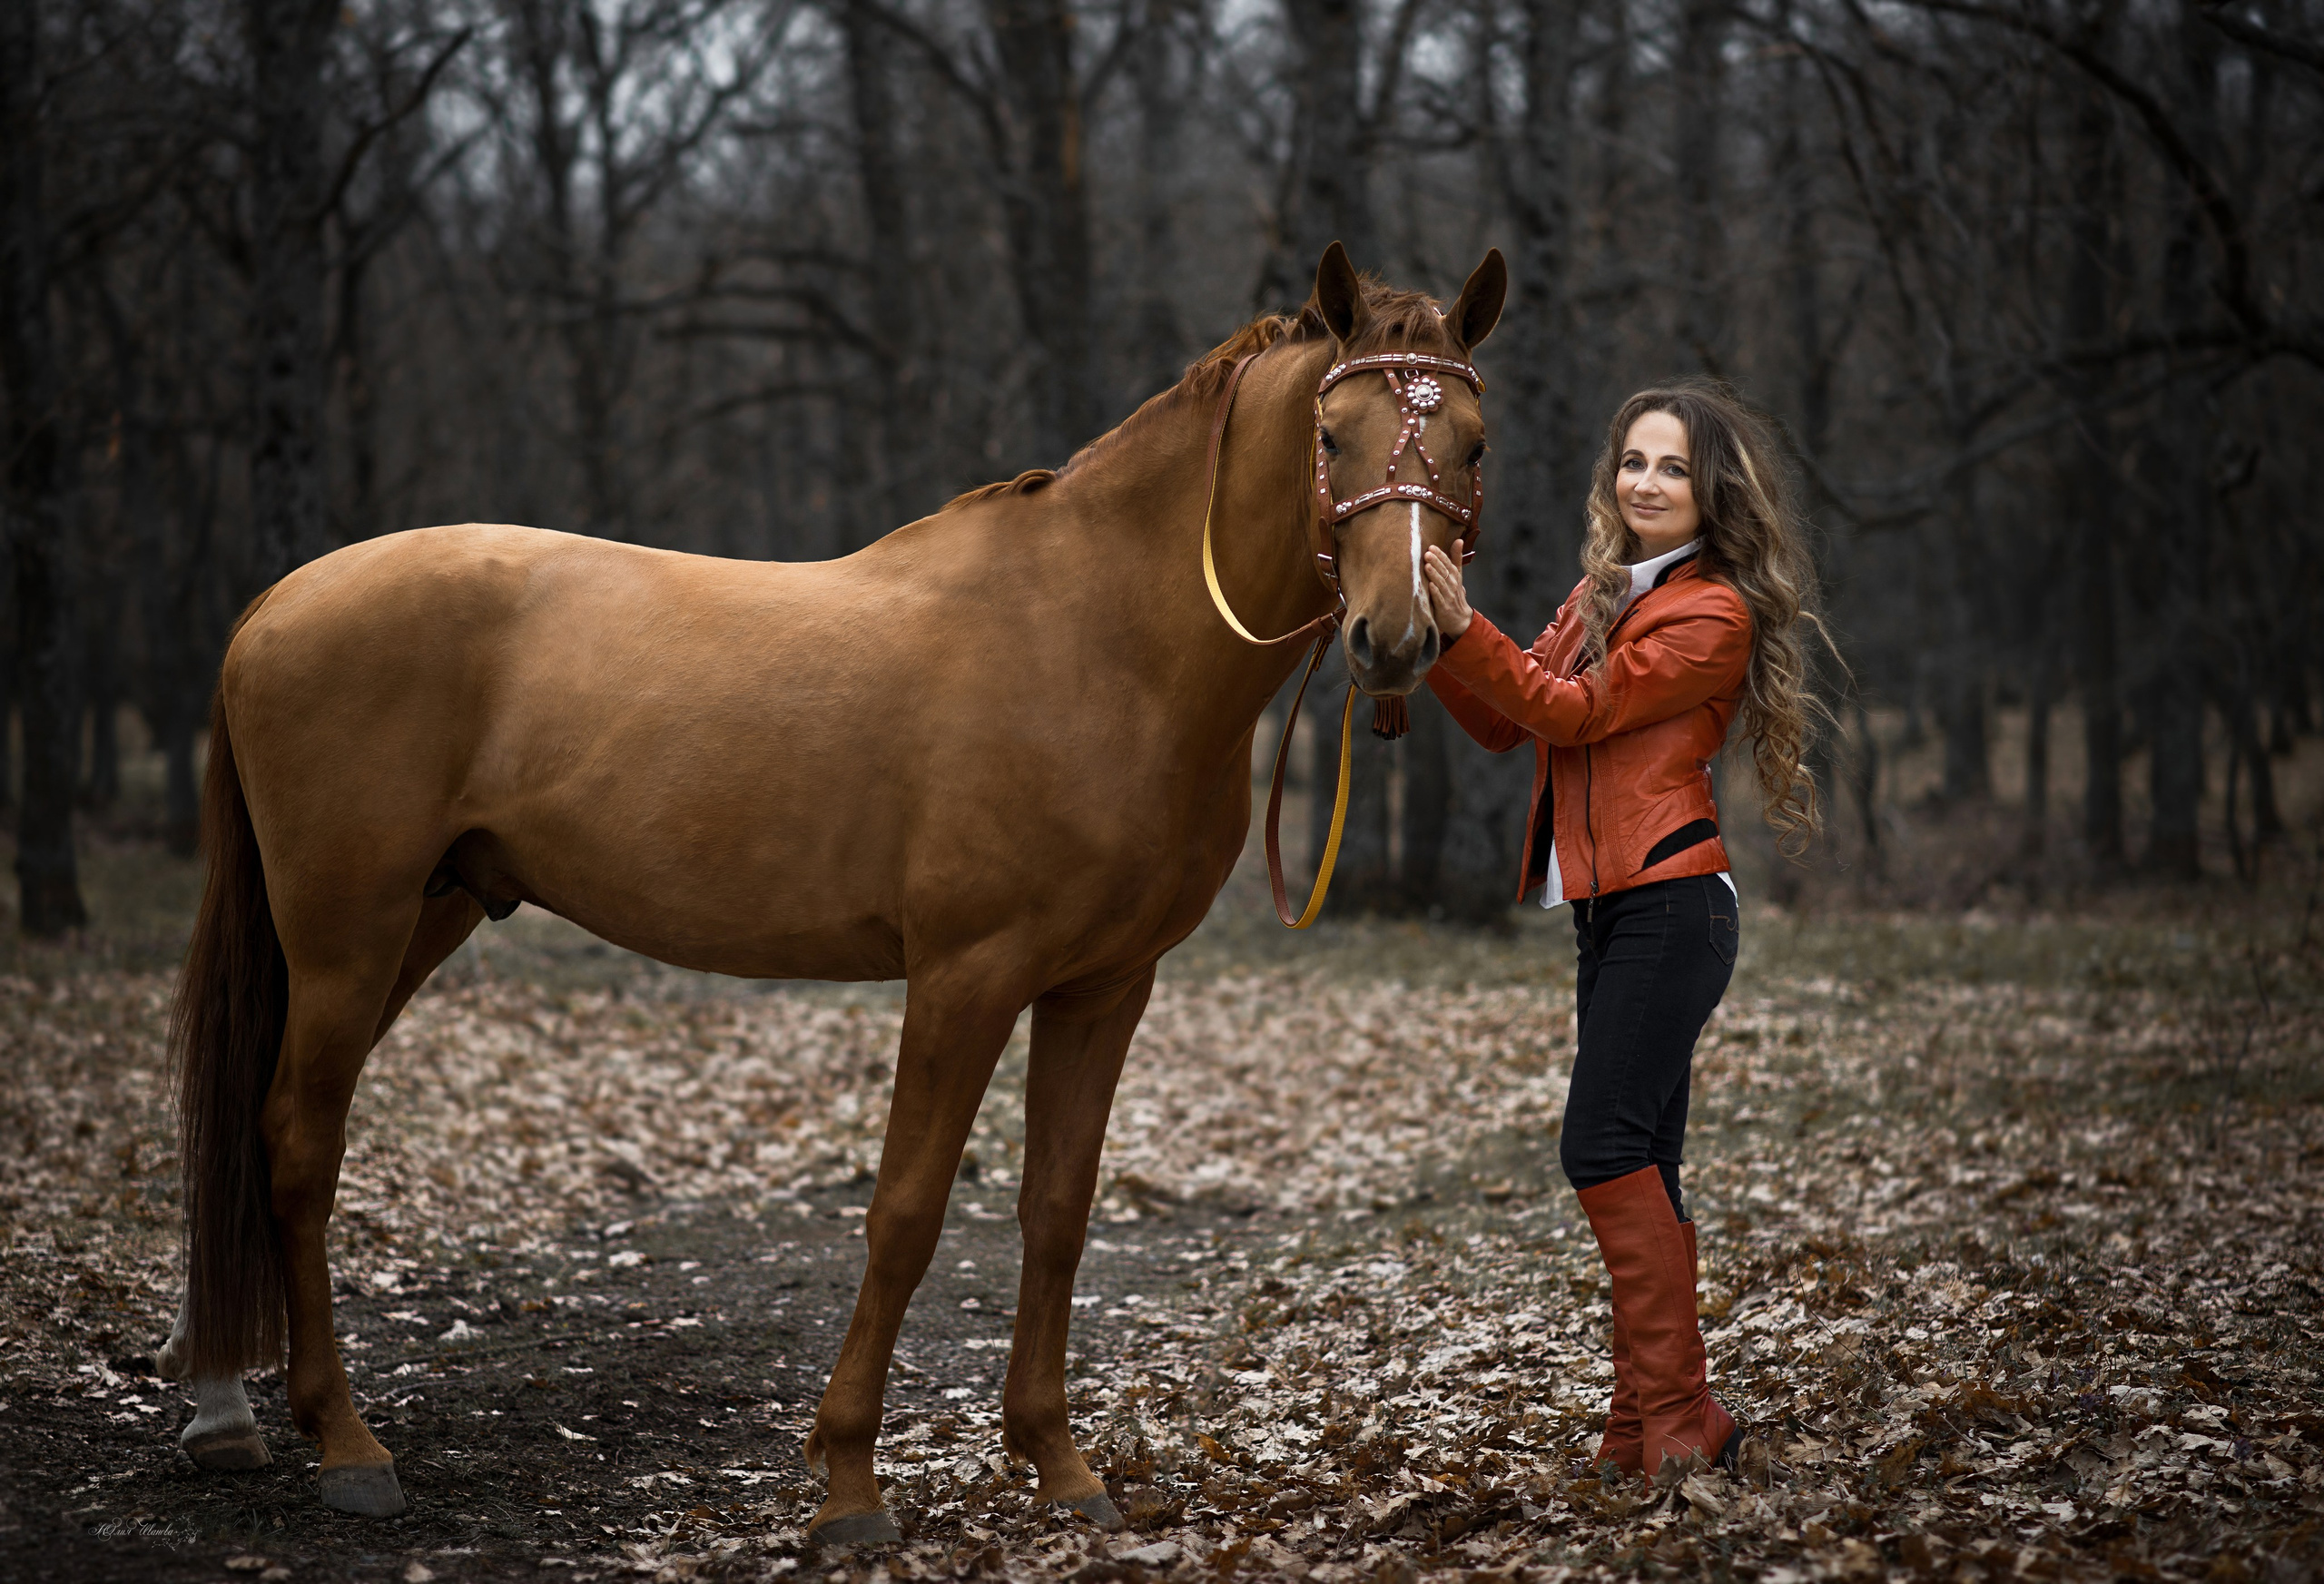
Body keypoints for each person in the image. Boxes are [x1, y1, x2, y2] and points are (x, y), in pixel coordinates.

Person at [1419, 379, 1825, 1477]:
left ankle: (1678, 1415)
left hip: (1672, 904)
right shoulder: (1603, 591)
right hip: (1612, 909)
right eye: (1632, 462)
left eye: (1672, 468)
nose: (1645, 483)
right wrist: (1424, 638)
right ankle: (1647, 1428)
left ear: (1712, 493)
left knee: (1598, 1148)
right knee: (1645, 1160)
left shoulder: (1711, 612)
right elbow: (1509, 718)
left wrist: (1467, 626)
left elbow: (1581, 712)